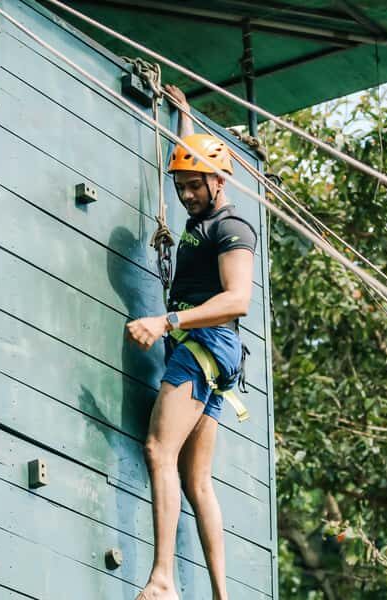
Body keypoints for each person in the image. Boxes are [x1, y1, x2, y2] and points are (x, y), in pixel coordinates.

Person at [127, 85, 257, 600]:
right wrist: (183, 118)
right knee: (196, 479)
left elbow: (238, 299)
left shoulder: (231, 228)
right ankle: (223, 596)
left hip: (205, 343)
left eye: (194, 186)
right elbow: (193, 162)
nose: (185, 194)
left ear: (218, 182)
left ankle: (163, 579)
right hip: (214, 354)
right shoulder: (203, 219)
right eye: (180, 186)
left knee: (159, 450)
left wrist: (167, 321)